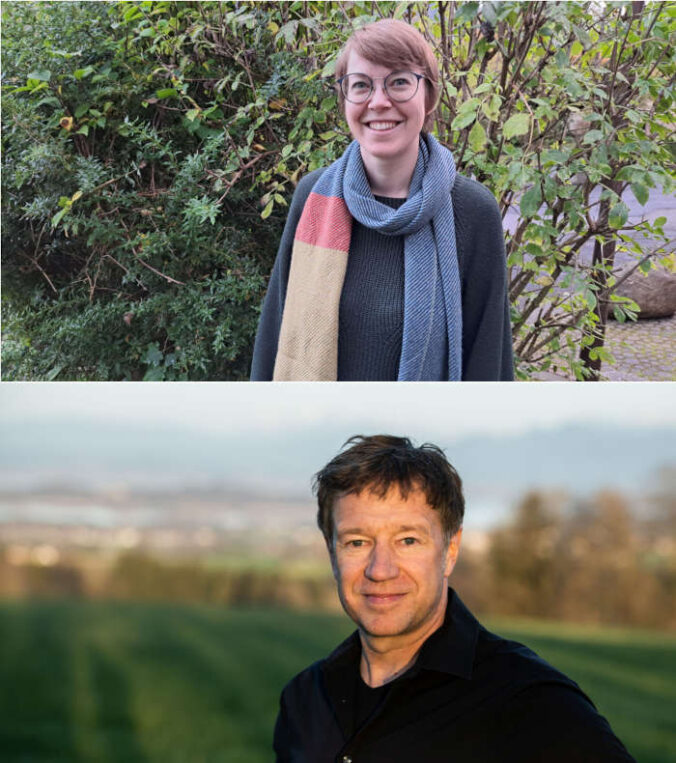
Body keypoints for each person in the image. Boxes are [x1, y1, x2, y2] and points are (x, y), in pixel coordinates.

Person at [273, 435, 636, 762]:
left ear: (450, 550)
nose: (380, 570)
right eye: (357, 542)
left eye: (408, 541)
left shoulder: (530, 701)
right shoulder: (305, 698)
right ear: (332, 552)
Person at [251, 19, 513, 381]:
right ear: (345, 100)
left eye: (400, 82)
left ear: (429, 95)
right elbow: (274, 337)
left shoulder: (473, 211)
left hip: (424, 436)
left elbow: (488, 364)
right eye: (361, 85)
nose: (379, 101)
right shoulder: (313, 198)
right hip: (318, 431)